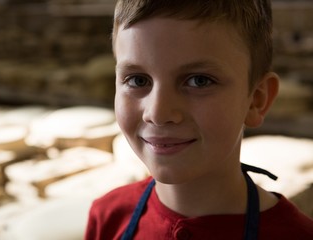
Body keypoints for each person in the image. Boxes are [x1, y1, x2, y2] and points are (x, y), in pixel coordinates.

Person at [85, 0, 313, 239]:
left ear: (256, 100)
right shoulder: (107, 216)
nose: (158, 113)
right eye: (137, 80)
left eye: (199, 81)